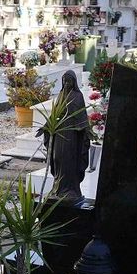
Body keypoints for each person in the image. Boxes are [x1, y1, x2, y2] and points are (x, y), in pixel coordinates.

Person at [36, 70, 89, 203]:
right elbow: (55, 113)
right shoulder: (60, 95)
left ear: (74, 82)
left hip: (71, 135)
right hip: (59, 133)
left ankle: (70, 190)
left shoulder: (78, 96)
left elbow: (82, 117)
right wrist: (46, 127)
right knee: (57, 158)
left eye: (68, 81)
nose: (66, 84)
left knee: (69, 161)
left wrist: (84, 129)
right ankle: (57, 188)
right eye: (64, 81)